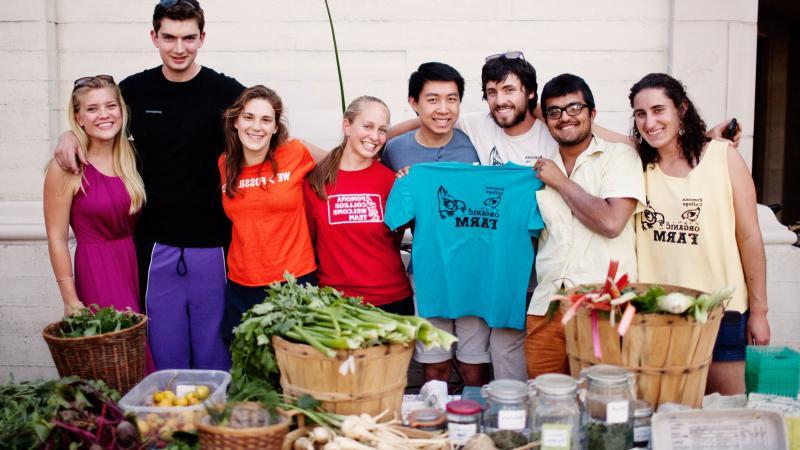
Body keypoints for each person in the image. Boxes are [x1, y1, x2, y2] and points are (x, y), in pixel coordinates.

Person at [53, 0, 243, 370]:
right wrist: (68, 135)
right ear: (154, 37)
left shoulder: (226, 92)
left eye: (189, 38)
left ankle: (211, 427)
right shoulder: (134, 92)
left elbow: (269, 126)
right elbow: (98, 115)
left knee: (213, 355)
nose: (179, 48)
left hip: (215, 244)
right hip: (155, 247)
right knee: (163, 355)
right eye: (169, 37)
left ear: (202, 38)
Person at [630, 73, 770, 395]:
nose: (649, 122)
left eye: (658, 110)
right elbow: (584, 126)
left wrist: (760, 312)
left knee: (726, 416)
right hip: (661, 316)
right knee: (669, 417)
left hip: (722, 312)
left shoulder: (723, 157)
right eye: (640, 114)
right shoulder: (636, 164)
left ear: (682, 108)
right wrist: (555, 110)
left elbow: (750, 238)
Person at [383, 63, 500, 386]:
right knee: (434, 367)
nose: (443, 109)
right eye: (432, 99)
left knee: (475, 365)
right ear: (414, 103)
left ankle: (473, 430)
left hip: (476, 274)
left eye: (452, 99)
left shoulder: (474, 142)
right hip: (428, 272)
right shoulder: (394, 150)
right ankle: (435, 431)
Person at [525, 74, 645, 379]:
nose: (565, 118)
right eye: (554, 111)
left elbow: (610, 222)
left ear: (592, 113)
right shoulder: (540, 169)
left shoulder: (619, 156)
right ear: (546, 120)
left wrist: (561, 183)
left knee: (602, 401)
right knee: (545, 398)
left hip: (603, 307)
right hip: (546, 305)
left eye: (574, 108)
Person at [218, 85, 317, 342]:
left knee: (295, 366)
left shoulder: (296, 152)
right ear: (236, 121)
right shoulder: (225, 164)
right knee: (251, 365)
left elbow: (342, 164)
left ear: (275, 127)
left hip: (294, 280)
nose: (256, 127)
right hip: (243, 283)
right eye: (249, 117)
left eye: (266, 120)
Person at [44, 76, 146, 317]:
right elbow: (56, 238)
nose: (104, 114)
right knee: (116, 347)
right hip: (98, 271)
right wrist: (70, 299)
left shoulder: (132, 158)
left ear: (121, 110)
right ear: (78, 118)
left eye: (111, 106)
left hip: (137, 266)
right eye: (92, 109)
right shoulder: (66, 167)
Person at [304, 96, 413, 315]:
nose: (375, 137)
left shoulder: (393, 181)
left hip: (391, 301)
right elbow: (310, 245)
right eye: (368, 126)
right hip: (335, 306)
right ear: (347, 125)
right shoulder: (315, 183)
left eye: (383, 130)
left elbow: (397, 237)